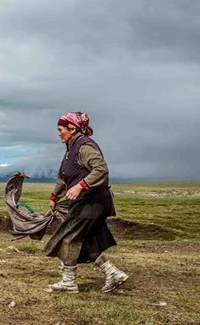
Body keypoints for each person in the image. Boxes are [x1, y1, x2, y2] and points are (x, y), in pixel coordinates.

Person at [44, 112, 128, 294]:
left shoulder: (84, 146)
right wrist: (54, 197)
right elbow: (63, 178)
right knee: (87, 241)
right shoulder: (70, 149)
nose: (58, 133)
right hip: (89, 201)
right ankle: (113, 273)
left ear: (72, 129)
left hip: (92, 200)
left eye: (60, 129)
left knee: (69, 237)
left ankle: (69, 283)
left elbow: (101, 169)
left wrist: (80, 186)